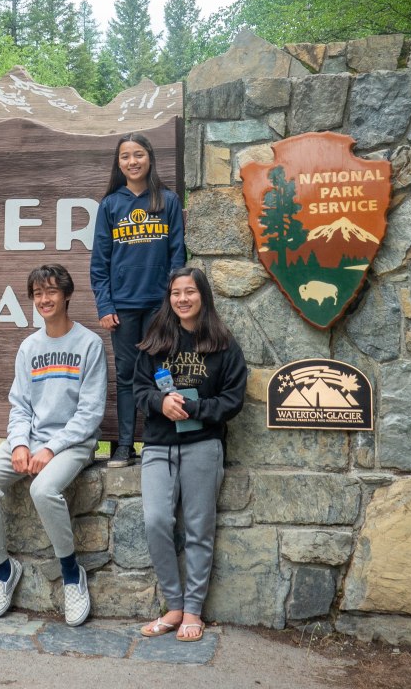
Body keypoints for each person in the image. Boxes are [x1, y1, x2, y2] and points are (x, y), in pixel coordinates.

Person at [0, 264, 107, 627]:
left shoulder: (89, 344)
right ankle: (2, 570)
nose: (44, 299)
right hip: (31, 440)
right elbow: (20, 406)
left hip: (73, 443)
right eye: (38, 294)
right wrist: (19, 445)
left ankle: (72, 574)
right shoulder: (29, 346)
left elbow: (89, 413)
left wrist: (51, 448)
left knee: (43, 489)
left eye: (51, 292)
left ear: (67, 295)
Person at [133, 267, 246, 642]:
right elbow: (138, 389)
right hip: (159, 446)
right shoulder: (156, 340)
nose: (182, 299)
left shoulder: (224, 344)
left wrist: (195, 409)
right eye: (176, 293)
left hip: (203, 446)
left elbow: (232, 400)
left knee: (199, 529)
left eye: (190, 292)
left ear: (203, 297)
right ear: (169, 298)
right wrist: (160, 402)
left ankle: (193, 611)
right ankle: (174, 604)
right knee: (156, 522)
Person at [90, 132, 186, 468]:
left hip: (159, 307)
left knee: (163, 372)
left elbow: (178, 255)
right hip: (123, 309)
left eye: (138, 155)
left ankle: (157, 442)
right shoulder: (111, 205)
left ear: (150, 158)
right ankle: (125, 447)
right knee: (127, 374)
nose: (132, 161)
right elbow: (99, 263)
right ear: (118, 163)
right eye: (125, 156)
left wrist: (174, 301)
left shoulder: (168, 201)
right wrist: (105, 306)